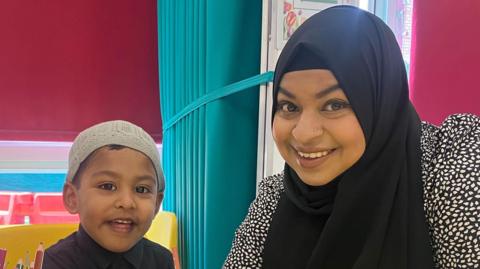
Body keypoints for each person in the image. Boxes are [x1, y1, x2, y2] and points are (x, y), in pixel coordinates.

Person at [224, 5, 480, 269]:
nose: (303, 133)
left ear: (381, 103)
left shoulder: (448, 174)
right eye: (289, 106)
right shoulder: (275, 199)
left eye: (334, 104)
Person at [44, 120, 174, 269]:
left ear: (156, 204)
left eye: (141, 189)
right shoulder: (52, 263)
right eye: (108, 186)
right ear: (72, 198)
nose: (126, 202)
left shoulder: (161, 260)